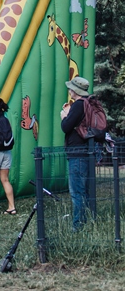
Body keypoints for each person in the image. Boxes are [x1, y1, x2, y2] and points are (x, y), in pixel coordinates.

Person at [60, 75, 91, 231]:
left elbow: (66, 127)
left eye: (71, 88)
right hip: (84, 150)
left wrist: (65, 115)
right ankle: (87, 220)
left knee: (76, 191)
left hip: (77, 151)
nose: (69, 90)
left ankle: (78, 225)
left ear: (75, 91)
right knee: (83, 189)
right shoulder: (87, 103)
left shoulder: (79, 105)